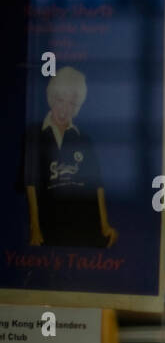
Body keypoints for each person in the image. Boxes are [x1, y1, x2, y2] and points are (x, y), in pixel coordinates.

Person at [25, 67, 118, 248]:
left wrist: (104, 225)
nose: (64, 110)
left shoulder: (84, 139)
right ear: (51, 98)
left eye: (71, 104)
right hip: (51, 230)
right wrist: (35, 228)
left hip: (86, 229)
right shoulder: (34, 135)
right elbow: (31, 186)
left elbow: (97, 187)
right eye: (60, 100)